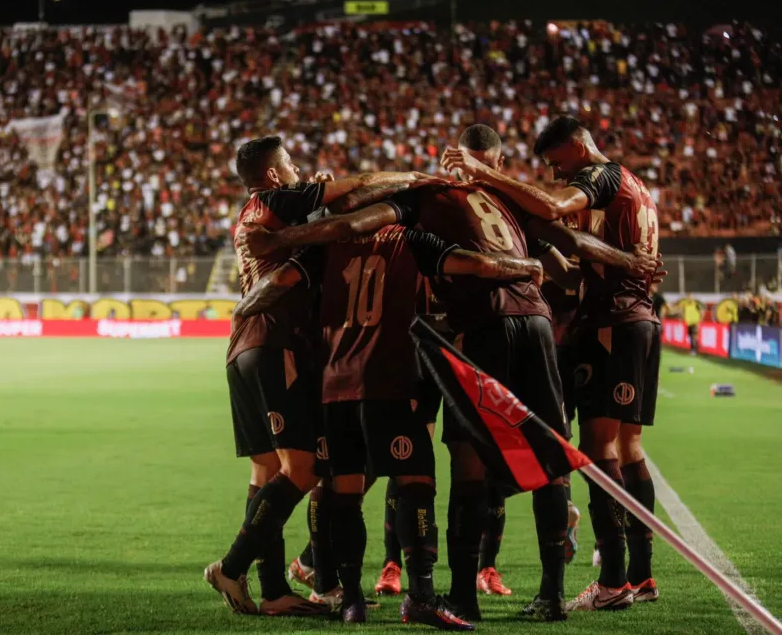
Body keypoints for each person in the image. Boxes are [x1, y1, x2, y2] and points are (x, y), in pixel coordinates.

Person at [242, 167, 659, 622]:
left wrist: (250, 302)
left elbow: (305, 259)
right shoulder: (477, 211)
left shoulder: (339, 241)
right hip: (456, 348)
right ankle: (517, 592)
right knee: (466, 470)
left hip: (357, 375)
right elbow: (552, 259)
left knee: (360, 482)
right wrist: (540, 267)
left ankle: (350, 594)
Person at [237, 199, 547, 628]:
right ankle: (420, 596)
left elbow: (281, 279)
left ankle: (350, 601)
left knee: (345, 493)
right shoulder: (409, 238)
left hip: (334, 386)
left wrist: (244, 309)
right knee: (415, 482)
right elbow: (470, 263)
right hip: (389, 381)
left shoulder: (328, 244)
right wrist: (520, 266)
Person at [443, 115, 664, 612]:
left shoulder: (603, 177)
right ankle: (640, 575)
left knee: (596, 445)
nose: (557, 175)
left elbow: (554, 206)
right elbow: (571, 263)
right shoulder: (633, 187)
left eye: (558, 163)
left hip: (613, 320)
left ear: (578, 148)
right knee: (628, 445)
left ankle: (611, 581)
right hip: (635, 318)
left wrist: (486, 173)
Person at [206, 136, 421, 616]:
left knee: (265, 472)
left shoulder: (255, 213)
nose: (299, 168)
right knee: (301, 470)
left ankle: (274, 591)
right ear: (273, 175)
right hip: (275, 340)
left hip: (242, 345)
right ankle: (232, 566)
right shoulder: (278, 198)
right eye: (290, 162)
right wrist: (413, 178)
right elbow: (361, 185)